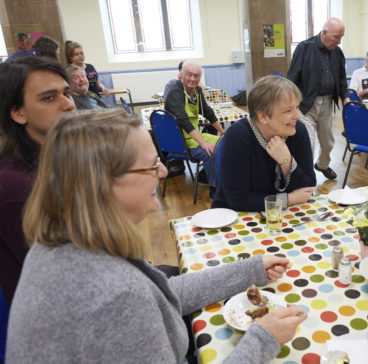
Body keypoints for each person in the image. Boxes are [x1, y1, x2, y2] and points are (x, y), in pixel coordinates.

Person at [6, 109, 307, 363]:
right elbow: (136, 299)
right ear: (102, 184)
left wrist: (250, 269)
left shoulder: (65, 242)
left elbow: (162, 291)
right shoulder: (115, 296)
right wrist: (263, 339)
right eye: (151, 165)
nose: (163, 172)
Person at [0, 57, 76, 307]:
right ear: (17, 112)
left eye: (66, 93)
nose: (68, 105)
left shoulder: (54, 159)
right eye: (49, 98)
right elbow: (65, 282)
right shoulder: (16, 188)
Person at [212, 75, 316, 212]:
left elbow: (308, 186)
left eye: (297, 107)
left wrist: (286, 162)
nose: (297, 115)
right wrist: (289, 199)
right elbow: (238, 200)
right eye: (289, 110)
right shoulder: (237, 137)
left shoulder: (297, 130)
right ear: (262, 116)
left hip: (282, 215)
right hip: (235, 217)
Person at [287, 17, 350, 180]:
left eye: (342, 37)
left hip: (327, 103)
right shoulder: (304, 48)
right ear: (324, 33)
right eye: (337, 36)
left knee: (328, 142)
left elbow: (342, 79)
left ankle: (322, 165)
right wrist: (290, 104)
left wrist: (346, 98)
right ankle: (306, 179)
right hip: (305, 104)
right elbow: (291, 78)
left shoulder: (337, 52)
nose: (339, 41)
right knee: (308, 144)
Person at [165, 62, 225, 195]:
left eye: (196, 76)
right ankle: (215, 191)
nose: (192, 79)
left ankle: (211, 176)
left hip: (195, 136)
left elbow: (208, 112)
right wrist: (203, 144)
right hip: (181, 143)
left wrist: (223, 132)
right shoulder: (176, 93)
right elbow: (183, 121)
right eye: (189, 75)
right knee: (210, 151)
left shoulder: (197, 91)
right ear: (182, 75)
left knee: (227, 143)